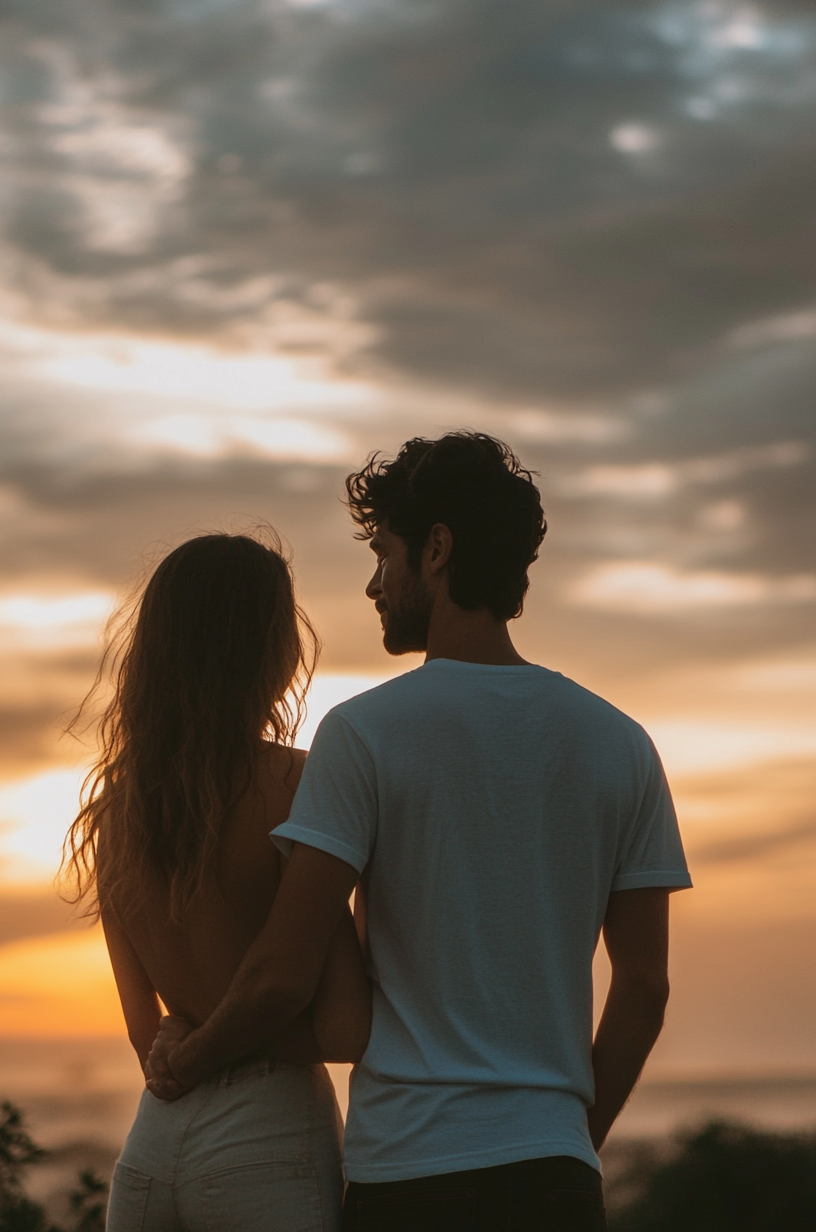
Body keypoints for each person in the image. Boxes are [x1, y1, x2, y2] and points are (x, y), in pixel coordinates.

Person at [147, 433, 692, 1232]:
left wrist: (184, 1060)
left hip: (409, 1176)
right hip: (555, 1177)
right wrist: (568, 1140)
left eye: (384, 553)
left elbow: (280, 973)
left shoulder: (366, 733)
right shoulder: (621, 743)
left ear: (436, 551)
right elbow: (644, 986)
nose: (374, 583)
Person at [61, 533, 372, 1232]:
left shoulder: (115, 807)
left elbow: (149, 1038)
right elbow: (348, 1028)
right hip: (267, 1139)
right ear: (272, 650)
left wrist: (192, 1047)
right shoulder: (297, 784)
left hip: (152, 1146)